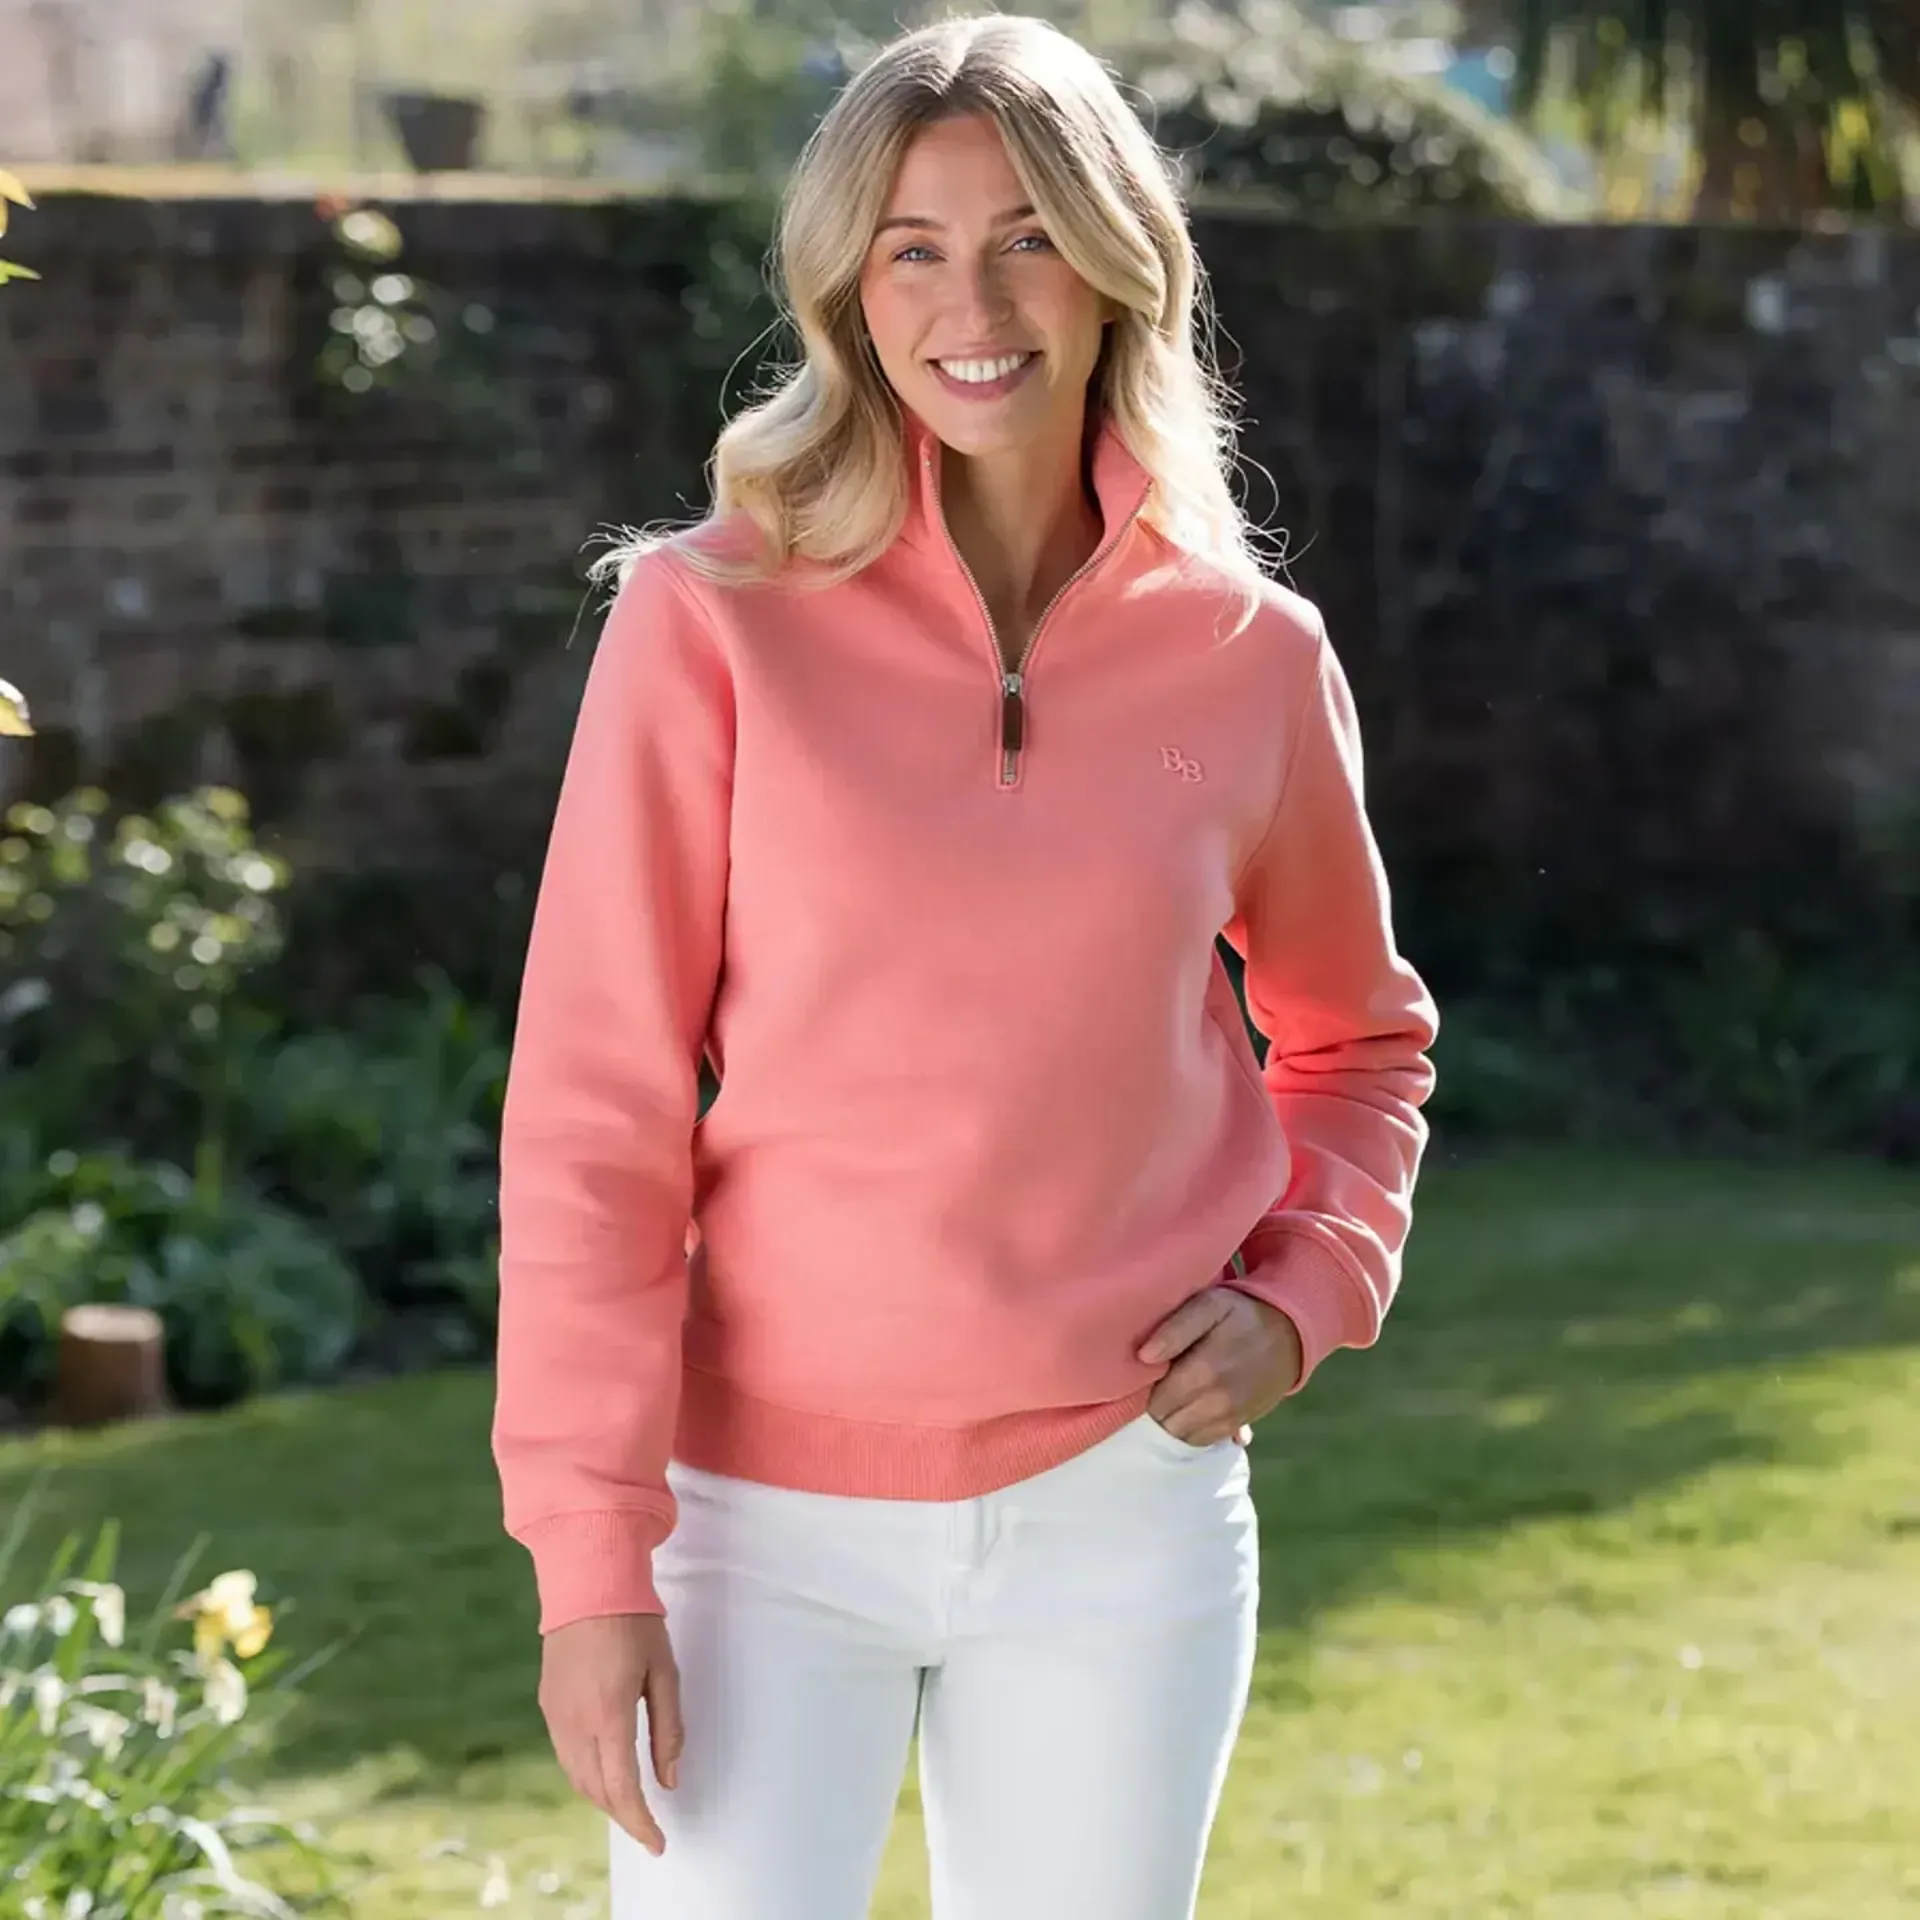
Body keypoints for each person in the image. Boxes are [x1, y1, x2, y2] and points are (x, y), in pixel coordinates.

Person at [492, 14, 1438, 1919]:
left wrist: (1308, 1288)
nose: (973, 305)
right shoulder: (711, 620)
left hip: (1123, 1517)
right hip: (751, 1532)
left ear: (1116, 266)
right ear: (849, 285)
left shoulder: (1251, 657)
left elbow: (1356, 1042)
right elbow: (596, 1112)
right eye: (912, 247)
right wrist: (592, 1564)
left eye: (1026, 239)